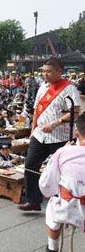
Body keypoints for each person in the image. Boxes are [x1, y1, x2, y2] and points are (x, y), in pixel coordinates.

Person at [20, 58, 81, 212]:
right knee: (30, 166)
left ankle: (66, 200)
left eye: (48, 71)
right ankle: (33, 200)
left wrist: (55, 123)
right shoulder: (42, 87)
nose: (45, 74)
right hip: (40, 135)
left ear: (59, 71)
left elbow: (75, 111)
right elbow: (36, 111)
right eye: (43, 71)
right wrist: (32, 130)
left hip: (61, 137)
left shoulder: (69, 89)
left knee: (64, 170)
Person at [39, 113, 85, 252]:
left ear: (77, 132)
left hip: (67, 206)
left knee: (53, 208)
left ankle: (52, 248)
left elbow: (47, 184)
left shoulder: (64, 152)